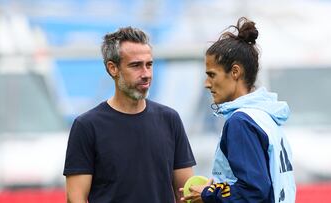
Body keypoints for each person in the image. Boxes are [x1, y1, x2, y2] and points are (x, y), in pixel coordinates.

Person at [63, 26, 196, 203]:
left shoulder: (170, 119)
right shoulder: (87, 126)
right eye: (136, 66)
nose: (146, 74)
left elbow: (185, 194)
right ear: (113, 68)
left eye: (149, 65)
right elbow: (75, 197)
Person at [181, 17, 296, 203]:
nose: (206, 84)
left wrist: (207, 195)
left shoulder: (241, 121)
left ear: (235, 72)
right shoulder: (266, 116)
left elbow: (253, 192)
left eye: (212, 75)